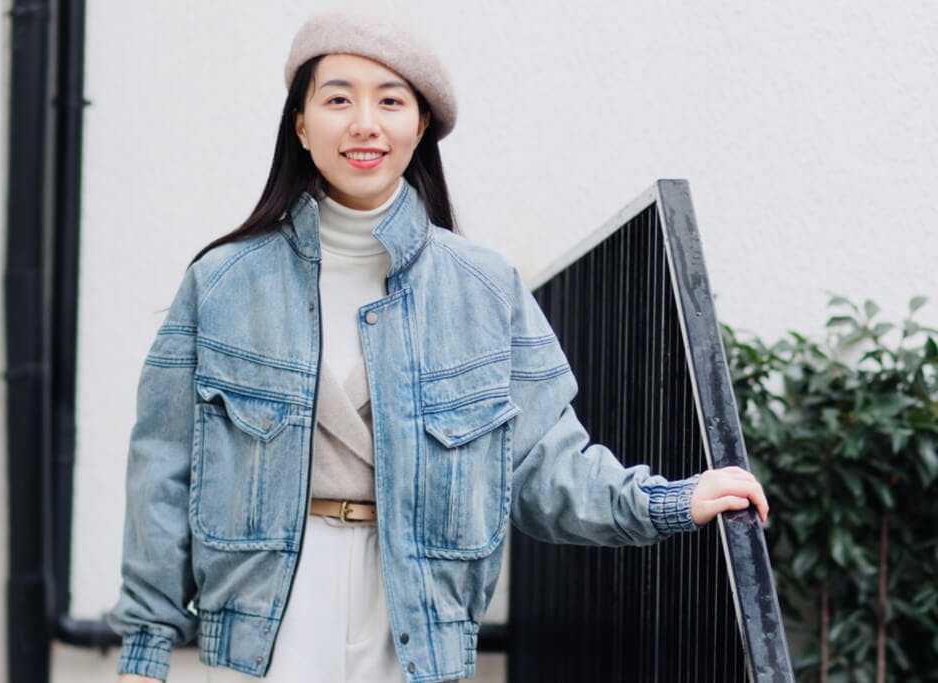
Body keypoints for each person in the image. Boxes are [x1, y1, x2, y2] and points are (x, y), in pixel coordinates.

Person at [109, 9, 769, 683]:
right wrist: (145, 647)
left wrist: (667, 501)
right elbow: (162, 466)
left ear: (418, 126)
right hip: (263, 621)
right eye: (338, 98)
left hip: (415, 627)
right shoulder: (222, 284)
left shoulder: (484, 289)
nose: (364, 122)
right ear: (302, 124)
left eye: (390, 100)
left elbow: (545, 462)